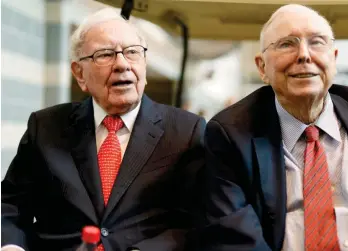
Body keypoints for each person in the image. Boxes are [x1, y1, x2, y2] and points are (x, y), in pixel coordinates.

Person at [198, 4, 348, 251]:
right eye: (286, 44)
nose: (304, 54)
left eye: (317, 42)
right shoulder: (231, 134)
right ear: (262, 68)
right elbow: (235, 239)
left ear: (333, 59)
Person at [1, 8, 206, 251]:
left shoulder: (186, 131)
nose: (122, 64)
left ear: (144, 63)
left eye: (132, 52)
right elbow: (10, 207)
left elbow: (200, 219)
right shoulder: (46, 127)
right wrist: (11, 247)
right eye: (105, 54)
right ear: (79, 74)